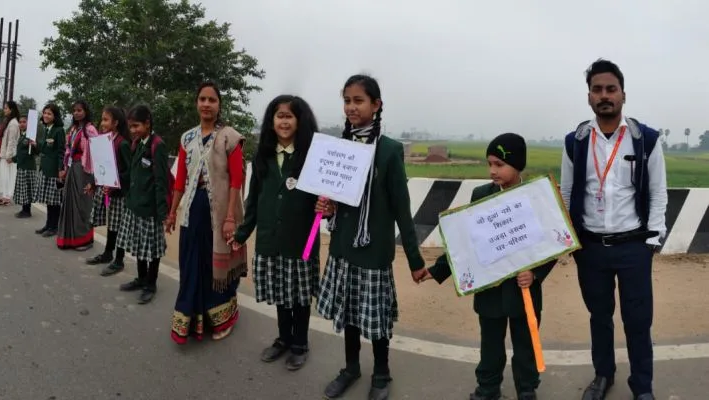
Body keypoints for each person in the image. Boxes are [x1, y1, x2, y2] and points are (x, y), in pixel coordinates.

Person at [560, 59, 666, 400]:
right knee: (599, 316)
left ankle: (642, 387)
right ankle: (603, 375)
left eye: (611, 89)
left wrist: (653, 240)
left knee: (638, 320)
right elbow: (567, 192)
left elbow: (658, 192)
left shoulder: (645, 139)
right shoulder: (575, 141)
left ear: (623, 94)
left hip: (634, 246)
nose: (604, 95)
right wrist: (573, 239)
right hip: (591, 247)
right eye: (597, 90)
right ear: (589, 97)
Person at [316, 75, 426, 400]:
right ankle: (351, 368)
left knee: (376, 319)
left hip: (373, 250)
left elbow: (402, 209)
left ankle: (381, 372)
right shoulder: (339, 147)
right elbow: (332, 199)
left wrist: (415, 260)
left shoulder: (390, 151)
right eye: (347, 100)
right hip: (342, 247)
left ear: (376, 105)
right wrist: (327, 208)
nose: (351, 107)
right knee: (349, 314)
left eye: (359, 100)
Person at [425, 133, 555, 400]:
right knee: (490, 345)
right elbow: (465, 243)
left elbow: (553, 243)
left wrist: (535, 273)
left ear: (517, 165)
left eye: (499, 164)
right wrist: (437, 270)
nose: (492, 171)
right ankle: (488, 387)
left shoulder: (535, 196)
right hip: (490, 291)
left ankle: (527, 388)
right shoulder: (481, 195)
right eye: (489, 164)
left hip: (524, 291)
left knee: (526, 344)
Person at [231, 95, 319, 371]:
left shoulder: (311, 157)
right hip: (270, 238)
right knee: (281, 292)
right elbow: (253, 201)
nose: (284, 121)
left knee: (300, 295)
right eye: (279, 116)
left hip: (304, 240)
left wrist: (327, 208)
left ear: (300, 121)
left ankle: (300, 343)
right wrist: (242, 233)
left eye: (289, 116)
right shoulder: (262, 157)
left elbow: (324, 202)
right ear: (271, 121)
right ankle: (283, 338)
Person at [165, 81, 247, 344]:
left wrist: (231, 217)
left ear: (219, 105)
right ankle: (191, 320)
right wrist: (172, 212)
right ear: (196, 103)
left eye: (212, 100)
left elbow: (236, 180)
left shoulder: (229, 137)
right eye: (202, 99)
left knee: (215, 268)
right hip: (192, 210)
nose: (206, 104)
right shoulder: (187, 138)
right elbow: (180, 180)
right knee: (191, 264)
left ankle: (224, 318)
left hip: (219, 213)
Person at [117, 104, 168, 304]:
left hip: (150, 209)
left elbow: (161, 181)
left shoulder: (158, 145)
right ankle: (141, 278)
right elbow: (132, 174)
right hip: (134, 205)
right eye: (130, 126)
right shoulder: (137, 143)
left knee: (152, 249)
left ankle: (150, 284)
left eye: (136, 126)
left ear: (147, 123)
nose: (133, 130)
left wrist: (162, 213)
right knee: (139, 245)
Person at [86, 106, 131, 276]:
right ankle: (107, 253)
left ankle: (119, 260)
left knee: (118, 227)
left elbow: (129, 171)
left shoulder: (123, 143)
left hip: (119, 194)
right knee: (112, 225)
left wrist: (115, 182)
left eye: (106, 119)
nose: (102, 123)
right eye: (102, 119)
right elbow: (100, 165)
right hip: (106, 191)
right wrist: (93, 183)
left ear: (116, 123)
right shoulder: (104, 141)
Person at [56, 100, 98, 251]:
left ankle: (85, 240)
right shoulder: (74, 129)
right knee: (69, 202)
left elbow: (96, 153)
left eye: (79, 110)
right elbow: (68, 150)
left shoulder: (90, 130)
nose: (76, 113)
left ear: (86, 111)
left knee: (82, 203)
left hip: (84, 170)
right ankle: (69, 239)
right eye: (74, 110)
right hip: (72, 168)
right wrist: (65, 168)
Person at [34, 104, 66, 237]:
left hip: (54, 171)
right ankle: (48, 224)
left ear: (55, 116)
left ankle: (54, 227)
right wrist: (35, 144)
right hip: (45, 169)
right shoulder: (47, 129)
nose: (46, 115)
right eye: (45, 113)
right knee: (49, 200)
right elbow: (44, 148)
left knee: (54, 201)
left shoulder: (59, 130)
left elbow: (61, 151)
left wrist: (60, 169)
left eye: (49, 113)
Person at [0, 101, 21, 206]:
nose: (4, 110)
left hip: (8, 154)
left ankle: (7, 197)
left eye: (6, 108)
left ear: (11, 110)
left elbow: (12, 141)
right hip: (4, 152)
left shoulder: (13, 123)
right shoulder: (8, 121)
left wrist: (9, 156)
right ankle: (4, 195)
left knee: (8, 176)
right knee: (4, 175)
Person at [12, 113, 37, 218]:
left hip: (28, 167)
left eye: (24, 122)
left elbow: (36, 151)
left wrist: (34, 145)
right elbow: (21, 152)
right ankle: (24, 210)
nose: (22, 124)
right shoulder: (23, 135)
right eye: (20, 122)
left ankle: (27, 211)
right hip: (21, 166)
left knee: (26, 190)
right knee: (23, 190)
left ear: (29, 123)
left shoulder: (31, 136)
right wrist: (13, 159)